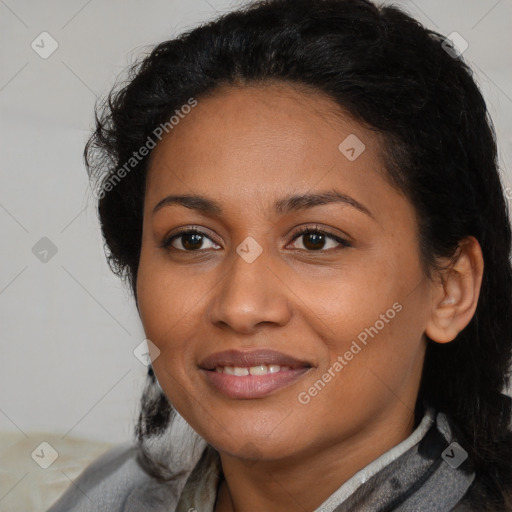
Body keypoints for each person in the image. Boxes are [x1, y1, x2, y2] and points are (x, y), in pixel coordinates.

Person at [47, 0, 512, 510]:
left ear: (450, 288)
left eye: (316, 240)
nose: (241, 307)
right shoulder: (107, 495)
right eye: (192, 239)